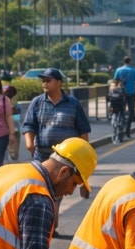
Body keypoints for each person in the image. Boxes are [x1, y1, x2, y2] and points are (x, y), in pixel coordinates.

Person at [21, 67, 93, 228]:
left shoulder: (73, 104)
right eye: (43, 81)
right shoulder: (38, 102)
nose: (44, 83)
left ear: (59, 83)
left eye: (48, 80)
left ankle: (51, 224)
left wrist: (83, 156)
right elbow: (28, 125)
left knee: (57, 191)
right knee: (42, 190)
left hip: (66, 160)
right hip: (42, 156)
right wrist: (29, 141)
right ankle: (48, 224)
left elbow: (83, 131)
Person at [112, 56, 135, 138]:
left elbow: (115, 81)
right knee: (131, 111)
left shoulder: (118, 70)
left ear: (123, 61)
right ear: (130, 61)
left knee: (121, 110)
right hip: (131, 92)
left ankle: (119, 126)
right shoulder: (133, 70)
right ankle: (127, 131)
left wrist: (115, 89)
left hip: (120, 93)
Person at [107, 77, 128, 144]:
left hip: (118, 109)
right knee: (117, 123)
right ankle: (117, 137)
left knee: (117, 123)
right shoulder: (120, 90)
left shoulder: (118, 90)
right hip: (117, 109)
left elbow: (109, 101)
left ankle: (117, 137)